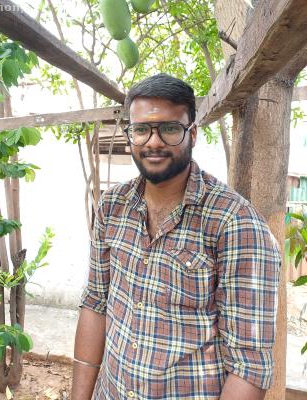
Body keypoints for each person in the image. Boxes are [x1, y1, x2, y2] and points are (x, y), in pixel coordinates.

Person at [71, 73, 281, 400]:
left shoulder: (235, 223)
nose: (153, 142)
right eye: (141, 129)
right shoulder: (112, 206)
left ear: (192, 134)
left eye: (169, 129)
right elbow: (96, 302)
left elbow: (249, 365)